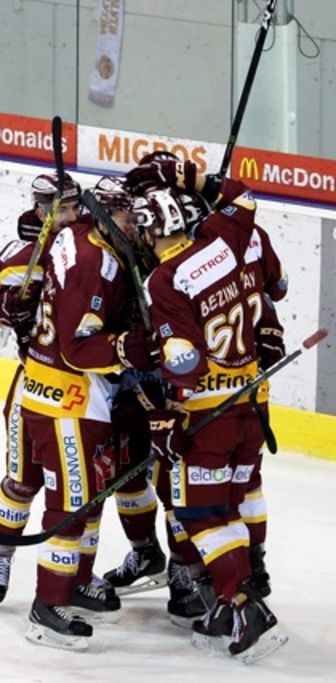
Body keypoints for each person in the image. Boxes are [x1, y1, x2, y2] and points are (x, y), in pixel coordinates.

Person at [129, 181, 287, 662]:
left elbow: (182, 361)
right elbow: (245, 201)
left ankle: (246, 607)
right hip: (249, 406)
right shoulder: (222, 240)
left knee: (201, 515)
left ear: (152, 231)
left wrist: (167, 417)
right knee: (229, 507)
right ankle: (226, 602)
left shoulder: (165, 279)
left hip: (207, 418)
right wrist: (195, 175)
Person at [18, 176, 156, 649]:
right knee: (72, 505)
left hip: (69, 394)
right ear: (105, 216)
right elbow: (79, 348)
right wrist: (131, 346)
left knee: (89, 498)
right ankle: (47, 604)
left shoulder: (80, 237)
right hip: (68, 399)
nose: (133, 226)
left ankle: (76, 581)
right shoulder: (95, 263)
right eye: (125, 218)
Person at [0, 172, 81, 604]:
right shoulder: (20, 256)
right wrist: (6, 308)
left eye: (76, 207)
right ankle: (0, 552)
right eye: (64, 209)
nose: (73, 216)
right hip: (35, 384)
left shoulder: (93, 248)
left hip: (90, 391)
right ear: (42, 210)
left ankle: (79, 577)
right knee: (22, 481)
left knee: (79, 491)